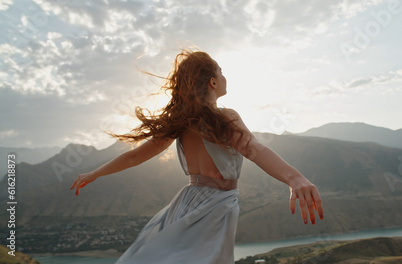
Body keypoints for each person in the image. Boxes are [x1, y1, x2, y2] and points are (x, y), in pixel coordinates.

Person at [71, 49, 324, 264]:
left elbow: (134, 157)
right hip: (215, 204)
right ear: (213, 82)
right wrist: (294, 177)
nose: (225, 77)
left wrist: (95, 173)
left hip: (187, 201)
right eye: (221, 72)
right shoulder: (226, 116)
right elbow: (254, 149)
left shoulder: (182, 122)